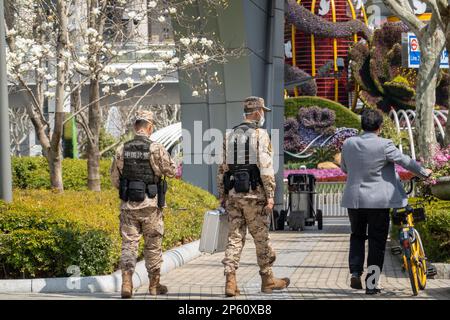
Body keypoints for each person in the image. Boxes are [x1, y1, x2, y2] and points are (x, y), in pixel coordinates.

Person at [341, 108, 432, 295]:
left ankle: (356, 271)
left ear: (362, 125)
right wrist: (424, 172)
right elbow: (405, 161)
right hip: (378, 203)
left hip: (354, 201)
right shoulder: (384, 144)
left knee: (357, 236)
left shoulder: (348, 143)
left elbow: (344, 168)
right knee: (377, 243)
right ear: (380, 127)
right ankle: (372, 284)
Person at [217, 96, 290, 297]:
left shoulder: (229, 135)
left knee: (235, 237)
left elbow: (222, 169)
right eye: (263, 111)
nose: (264, 114)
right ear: (257, 112)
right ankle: (267, 280)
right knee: (261, 238)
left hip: (233, 195)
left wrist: (222, 195)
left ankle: (230, 282)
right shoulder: (260, 135)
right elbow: (266, 168)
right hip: (254, 195)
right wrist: (270, 195)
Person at [110, 110, 177, 299]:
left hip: (129, 205)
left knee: (129, 245)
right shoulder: (156, 148)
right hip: (151, 205)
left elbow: (115, 178)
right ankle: (154, 286)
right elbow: (171, 170)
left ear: (134, 126)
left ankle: (126, 283)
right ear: (150, 127)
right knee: (153, 245)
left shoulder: (122, 149)